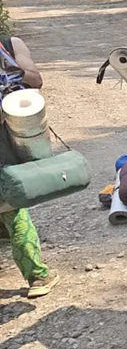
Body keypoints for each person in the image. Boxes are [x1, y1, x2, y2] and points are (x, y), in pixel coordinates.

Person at [0, 36, 58, 298]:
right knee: (14, 210)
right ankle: (37, 276)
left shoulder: (8, 46)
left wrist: (9, 67)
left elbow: (34, 79)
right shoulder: (9, 43)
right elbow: (35, 80)